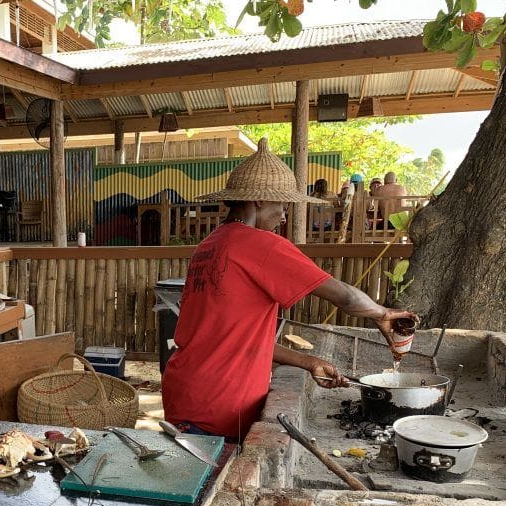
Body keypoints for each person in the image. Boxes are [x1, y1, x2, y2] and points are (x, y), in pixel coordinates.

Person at [161, 138, 417, 441]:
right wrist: (382, 314)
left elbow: (233, 340)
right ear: (258, 201)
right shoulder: (259, 245)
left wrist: (309, 362)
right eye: (281, 205)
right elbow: (345, 296)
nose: (284, 215)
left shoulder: (211, 244)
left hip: (187, 392)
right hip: (218, 402)